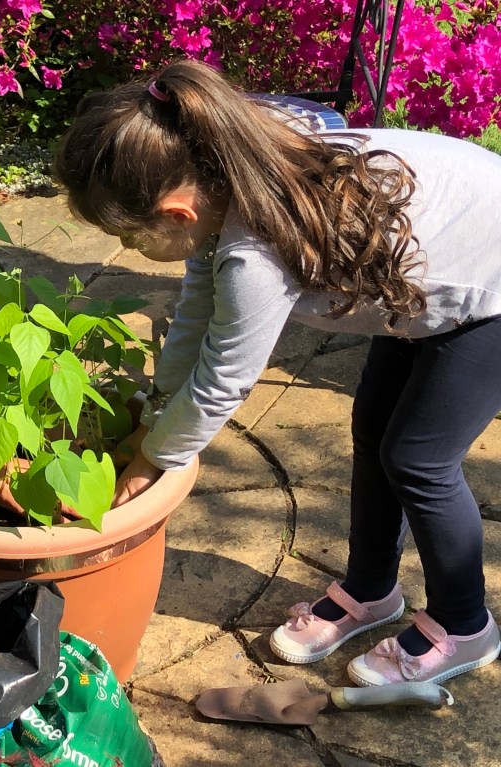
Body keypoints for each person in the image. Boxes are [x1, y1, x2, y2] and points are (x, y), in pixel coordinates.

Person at [53, 59, 501, 689]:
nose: (128, 251)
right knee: (375, 432)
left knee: (418, 461)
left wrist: (155, 458)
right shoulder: (224, 174)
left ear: (177, 214)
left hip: (488, 286)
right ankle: (372, 589)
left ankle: (465, 623)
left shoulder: (254, 253)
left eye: (129, 238)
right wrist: (154, 413)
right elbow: (195, 317)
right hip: (424, 277)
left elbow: (224, 377)